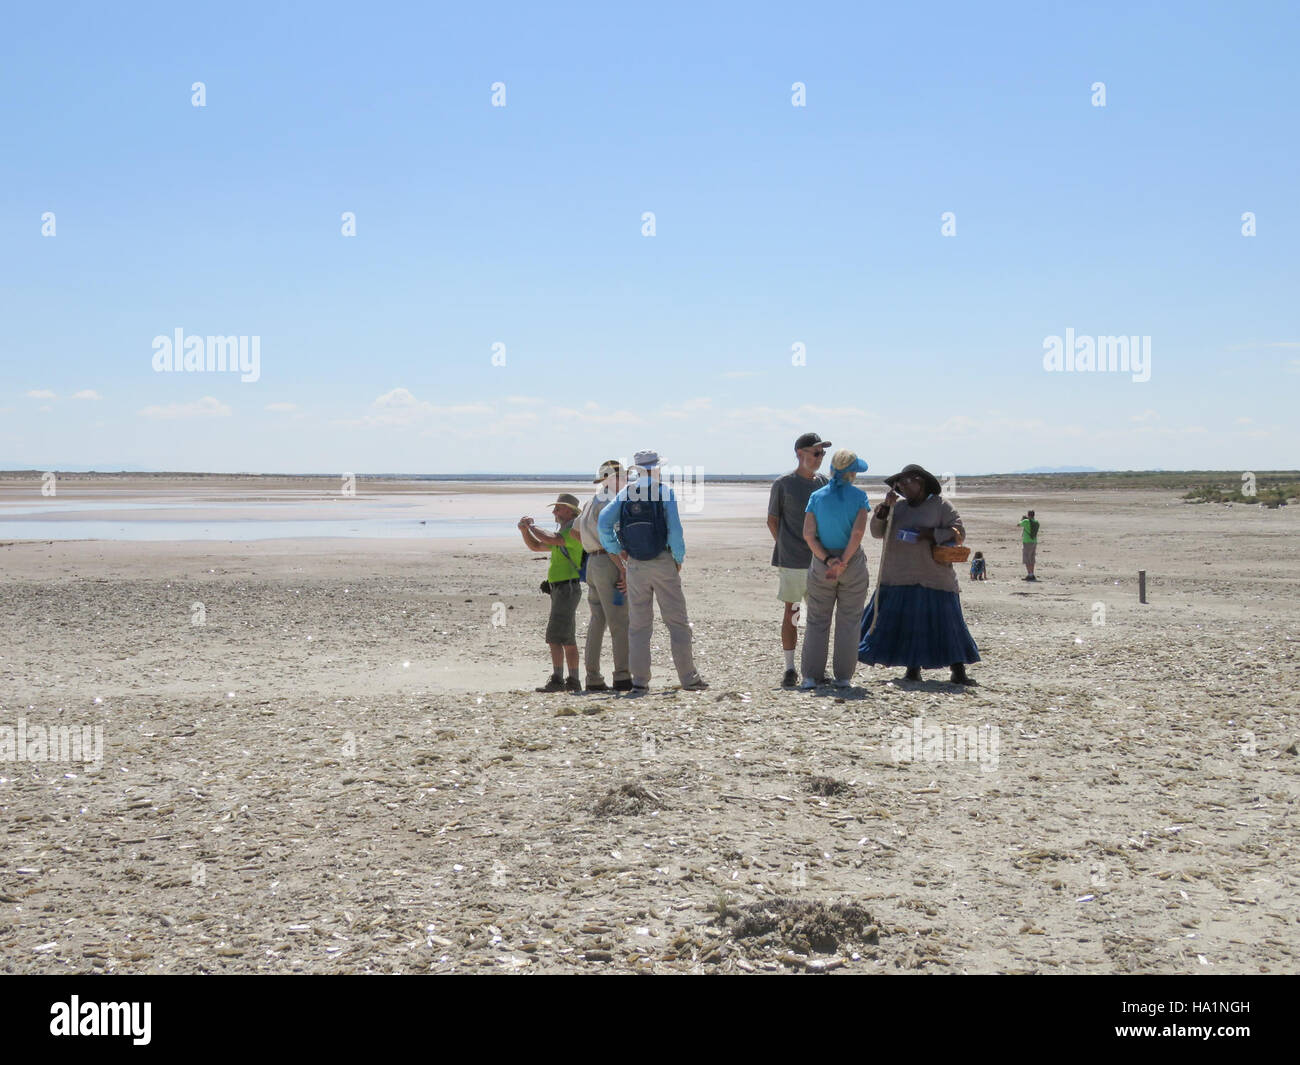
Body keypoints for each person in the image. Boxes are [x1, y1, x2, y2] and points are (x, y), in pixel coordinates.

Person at [597, 450, 708, 694]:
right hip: (662, 560)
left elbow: (604, 522)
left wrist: (618, 550)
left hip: (635, 563)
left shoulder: (627, 492)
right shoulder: (664, 491)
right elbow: (675, 531)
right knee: (677, 622)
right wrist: (677, 558)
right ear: (656, 468)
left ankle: (639, 682)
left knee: (639, 626)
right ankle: (688, 678)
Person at [858, 464, 979, 685]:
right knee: (909, 627)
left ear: (920, 482)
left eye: (906, 482)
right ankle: (912, 670)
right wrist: (883, 510)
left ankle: (958, 671)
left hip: (934, 577)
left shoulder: (941, 506)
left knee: (948, 626)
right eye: (898, 484)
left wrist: (931, 534)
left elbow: (959, 532)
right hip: (898, 576)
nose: (902, 487)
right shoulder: (896, 508)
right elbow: (876, 532)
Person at [799, 449, 871, 690]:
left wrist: (829, 560)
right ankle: (843, 677)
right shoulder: (859, 497)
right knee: (849, 621)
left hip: (822, 564)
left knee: (817, 620)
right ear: (853, 473)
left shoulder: (817, 497)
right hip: (852, 565)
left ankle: (811, 676)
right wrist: (843, 561)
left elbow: (809, 535)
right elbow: (857, 534)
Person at [767, 433, 830, 687]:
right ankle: (790, 668)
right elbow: (772, 520)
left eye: (822, 453)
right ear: (800, 454)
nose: (820, 457)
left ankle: (814, 669)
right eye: (816, 452)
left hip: (820, 560)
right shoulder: (784, 484)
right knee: (792, 613)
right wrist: (786, 546)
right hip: (792, 562)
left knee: (818, 616)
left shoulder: (824, 482)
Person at [517, 493, 585, 692]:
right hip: (561, 588)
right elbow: (537, 546)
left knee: (555, 637)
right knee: (566, 637)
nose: (554, 512)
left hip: (566, 588)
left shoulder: (572, 531)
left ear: (570, 511)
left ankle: (559, 680)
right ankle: (571, 680)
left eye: (558, 508)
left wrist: (531, 526)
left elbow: (547, 538)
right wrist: (525, 531)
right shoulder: (564, 532)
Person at [576, 460, 631, 692]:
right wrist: (622, 568)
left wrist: (591, 547)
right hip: (608, 561)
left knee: (597, 620)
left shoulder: (592, 501)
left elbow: (575, 532)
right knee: (619, 621)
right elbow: (610, 540)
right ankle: (622, 676)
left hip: (592, 562)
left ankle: (593, 677)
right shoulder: (611, 502)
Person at [1019, 510, 1040, 581]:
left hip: (1027, 542)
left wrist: (1023, 519)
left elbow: (1018, 524)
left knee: (1027, 559)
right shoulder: (1036, 522)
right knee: (1032, 558)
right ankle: (1032, 574)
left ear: (1028, 515)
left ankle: (1030, 574)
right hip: (1034, 541)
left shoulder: (1026, 521)